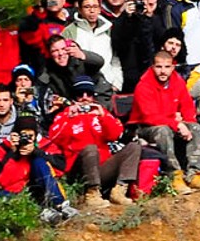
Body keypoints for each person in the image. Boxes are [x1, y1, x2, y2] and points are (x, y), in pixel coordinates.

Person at [41, 80, 141, 209]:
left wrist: (103, 116)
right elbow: (54, 138)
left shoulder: (100, 113)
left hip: (102, 167)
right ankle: (92, 194)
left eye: (89, 94)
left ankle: (119, 191)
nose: (85, 98)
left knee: (134, 147)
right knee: (90, 148)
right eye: (80, 94)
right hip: (79, 169)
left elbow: (116, 135)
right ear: (74, 97)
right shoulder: (64, 115)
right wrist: (68, 117)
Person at [128, 50, 200, 195]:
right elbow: (150, 116)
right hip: (147, 127)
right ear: (153, 67)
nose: (163, 71)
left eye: (167, 67)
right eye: (159, 67)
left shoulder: (178, 81)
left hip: (171, 123)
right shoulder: (143, 85)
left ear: (173, 67)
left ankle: (195, 174)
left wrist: (187, 123)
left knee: (195, 127)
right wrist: (178, 124)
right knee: (163, 130)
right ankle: (174, 175)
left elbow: (187, 106)